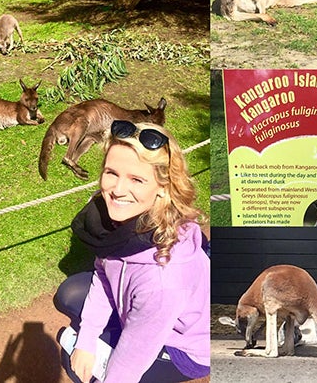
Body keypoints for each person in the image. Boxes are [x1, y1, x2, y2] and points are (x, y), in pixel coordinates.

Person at [54, 120, 210, 383]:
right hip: (141, 306)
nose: (117, 190)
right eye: (111, 172)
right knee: (68, 296)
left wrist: (86, 352)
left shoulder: (164, 281)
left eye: (136, 179)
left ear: (163, 187)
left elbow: (128, 365)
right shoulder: (121, 221)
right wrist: (87, 339)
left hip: (184, 348)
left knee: (79, 372)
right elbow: (105, 273)